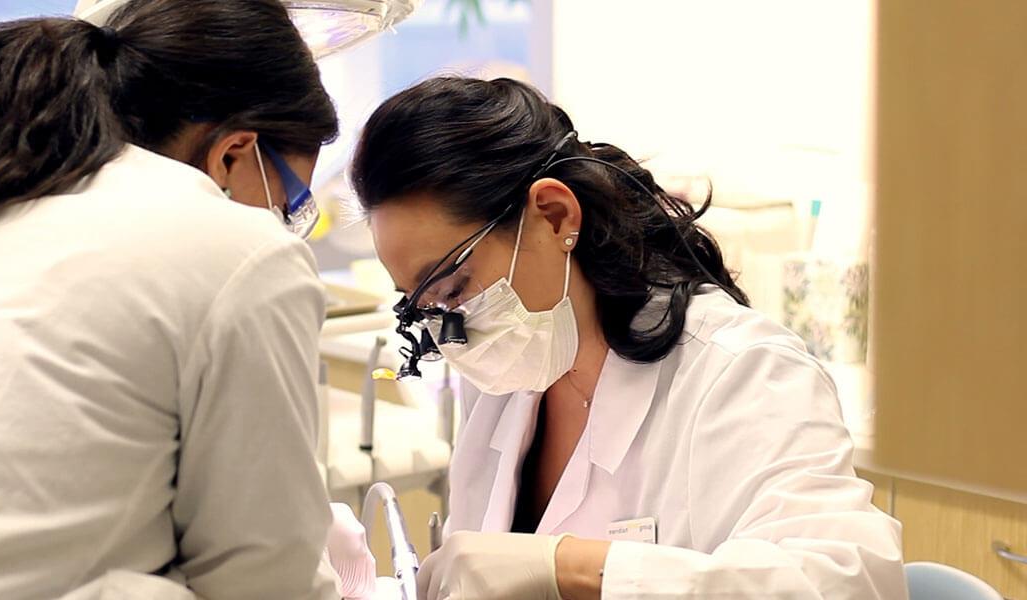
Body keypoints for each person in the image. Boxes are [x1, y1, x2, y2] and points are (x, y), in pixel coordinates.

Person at [0, 1, 341, 598]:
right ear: (232, 152)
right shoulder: (242, 250)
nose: (284, 224)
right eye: (294, 200)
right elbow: (264, 579)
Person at [350, 77, 907, 600]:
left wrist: (569, 567)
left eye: (455, 285)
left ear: (554, 215)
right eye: (422, 304)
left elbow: (850, 581)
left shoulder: (742, 372)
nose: (452, 329)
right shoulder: (509, 372)